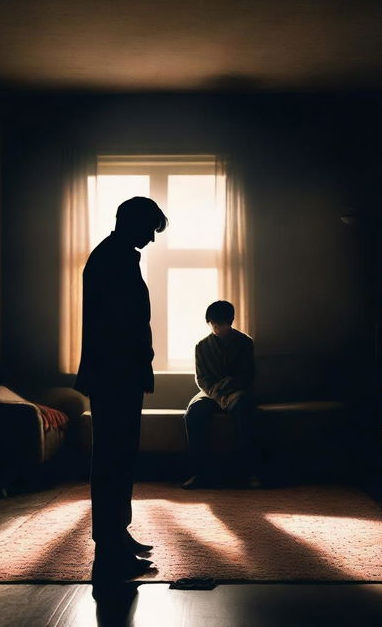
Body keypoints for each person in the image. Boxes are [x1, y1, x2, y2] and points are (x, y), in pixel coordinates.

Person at [75, 196, 167, 589]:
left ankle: (116, 537)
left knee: (118, 458)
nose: (151, 238)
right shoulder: (116, 259)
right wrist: (139, 362)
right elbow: (124, 323)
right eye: (149, 229)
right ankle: (109, 551)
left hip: (115, 373)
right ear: (133, 223)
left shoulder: (112, 254)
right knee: (114, 460)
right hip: (116, 374)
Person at [182, 300, 261, 489]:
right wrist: (216, 393)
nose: (217, 328)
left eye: (221, 325)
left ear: (230, 322)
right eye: (213, 325)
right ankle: (201, 473)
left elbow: (248, 374)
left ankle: (249, 472)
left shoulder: (244, 343)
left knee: (245, 409)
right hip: (209, 392)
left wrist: (231, 386)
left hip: (235, 391)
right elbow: (201, 378)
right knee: (193, 413)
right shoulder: (201, 346)